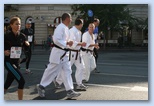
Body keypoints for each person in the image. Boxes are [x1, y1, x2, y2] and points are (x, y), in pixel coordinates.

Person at [36, 13, 81, 99]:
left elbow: (68, 41)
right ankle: (41, 86)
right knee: (51, 70)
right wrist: (67, 43)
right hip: (58, 54)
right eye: (70, 18)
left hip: (64, 54)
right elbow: (56, 40)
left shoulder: (66, 28)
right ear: (67, 18)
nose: (71, 20)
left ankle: (70, 90)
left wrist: (73, 43)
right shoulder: (60, 27)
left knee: (67, 71)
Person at [54, 19, 88, 91]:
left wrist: (81, 44)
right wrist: (81, 43)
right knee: (67, 69)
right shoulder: (72, 31)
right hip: (72, 53)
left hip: (78, 53)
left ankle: (79, 83)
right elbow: (72, 43)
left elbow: (76, 42)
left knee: (81, 67)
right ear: (80, 24)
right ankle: (58, 81)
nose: (82, 26)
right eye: (82, 24)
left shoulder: (78, 31)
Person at [4, 17, 30, 100]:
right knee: (21, 81)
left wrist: (27, 44)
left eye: (19, 24)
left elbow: (26, 49)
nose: (18, 25)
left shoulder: (22, 36)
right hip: (9, 62)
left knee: (7, 84)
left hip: (17, 62)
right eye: (16, 24)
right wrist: (4, 51)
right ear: (11, 25)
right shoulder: (6, 36)